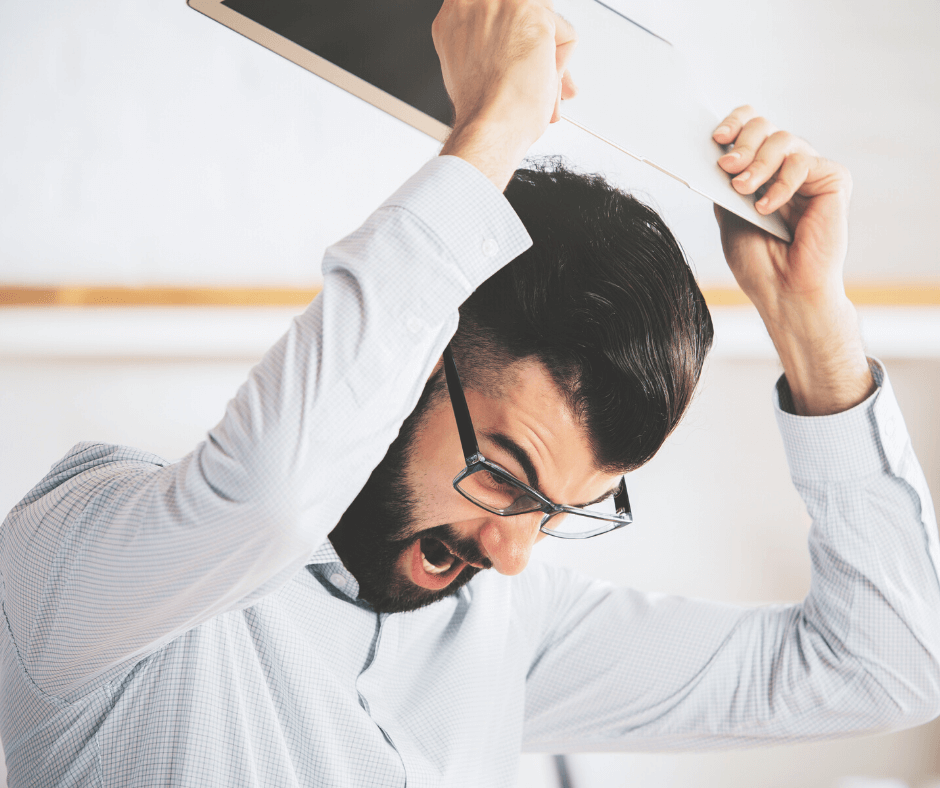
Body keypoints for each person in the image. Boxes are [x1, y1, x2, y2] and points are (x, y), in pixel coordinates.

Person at [2, 0, 939, 784]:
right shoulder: (94, 571)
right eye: (505, 475)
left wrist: (817, 335)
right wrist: (489, 130)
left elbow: (888, 664)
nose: (514, 552)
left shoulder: (505, 632)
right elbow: (271, 500)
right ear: (413, 359)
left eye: (561, 511)